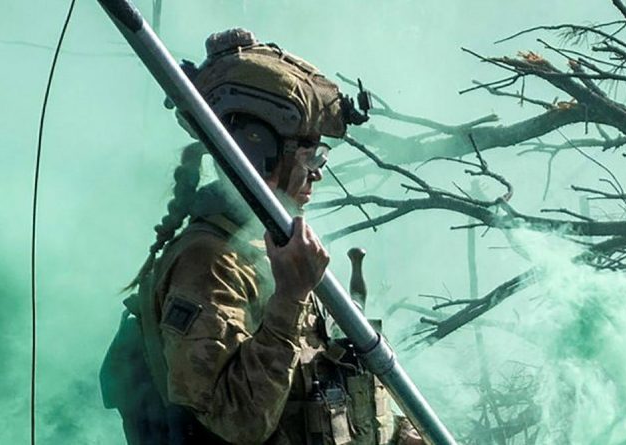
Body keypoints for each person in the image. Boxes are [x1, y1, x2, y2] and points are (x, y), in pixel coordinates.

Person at [100, 28, 422, 445]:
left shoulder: (274, 249)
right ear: (257, 148)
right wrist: (289, 299)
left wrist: (399, 435)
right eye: (310, 155)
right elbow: (238, 420)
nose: (318, 171)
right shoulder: (208, 262)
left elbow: (324, 391)